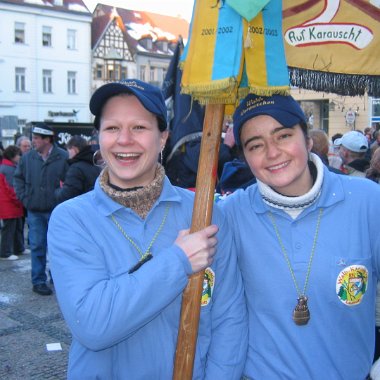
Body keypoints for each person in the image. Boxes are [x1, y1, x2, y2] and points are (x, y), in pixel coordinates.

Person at [47, 79, 247, 379]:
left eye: (139, 128)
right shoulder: (72, 220)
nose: (124, 140)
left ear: (163, 137)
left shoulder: (204, 214)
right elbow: (92, 324)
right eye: (112, 128)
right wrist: (178, 261)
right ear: (98, 137)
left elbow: (229, 318)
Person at [220, 93, 380, 379]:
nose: (272, 152)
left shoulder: (368, 201)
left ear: (307, 141)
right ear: (245, 157)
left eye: (283, 136)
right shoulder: (231, 215)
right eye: (256, 145)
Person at [14, 123, 68, 296]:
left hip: (56, 211)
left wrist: (60, 196)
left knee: (57, 246)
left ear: (47, 139)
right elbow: (18, 179)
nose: (33, 141)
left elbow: (70, 182)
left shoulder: (63, 156)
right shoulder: (27, 158)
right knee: (37, 245)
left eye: (36, 138)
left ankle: (57, 277)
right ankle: (38, 281)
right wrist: (25, 198)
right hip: (35, 210)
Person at [54, 135, 101, 203]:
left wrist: (57, 191)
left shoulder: (76, 168)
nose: (68, 154)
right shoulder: (95, 164)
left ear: (74, 149)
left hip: (79, 208)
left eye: (68, 150)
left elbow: (67, 195)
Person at [0, 145, 24, 260]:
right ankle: (6, 252)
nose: (20, 157)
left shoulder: (6, 167)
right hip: (9, 204)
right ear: (12, 156)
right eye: (18, 155)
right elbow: (11, 188)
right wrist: (19, 198)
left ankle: (18, 248)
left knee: (15, 227)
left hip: (10, 203)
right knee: (9, 229)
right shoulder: (8, 169)